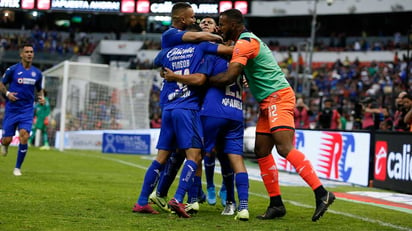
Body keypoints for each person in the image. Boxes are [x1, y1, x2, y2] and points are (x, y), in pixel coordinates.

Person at [207, 9, 335, 222]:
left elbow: (230, 76)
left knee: (284, 148)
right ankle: (276, 204)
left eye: (223, 23)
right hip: (268, 101)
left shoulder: (245, 42)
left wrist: (203, 80)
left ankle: (322, 193)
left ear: (235, 25)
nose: (220, 27)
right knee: (261, 150)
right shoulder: (245, 42)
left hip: (278, 97)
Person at [132, 16, 232, 218]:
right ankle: (178, 199)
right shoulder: (202, 48)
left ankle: (142, 201)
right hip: (187, 108)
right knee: (194, 155)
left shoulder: (168, 51)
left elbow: (156, 61)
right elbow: (224, 58)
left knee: (162, 157)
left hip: (167, 108)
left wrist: (171, 68)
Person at [163, 42, 250, 219]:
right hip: (235, 111)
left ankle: (184, 198)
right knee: (236, 160)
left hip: (213, 112)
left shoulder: (211, 58)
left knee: (196, 154)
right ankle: (241, 207)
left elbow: (200, 80)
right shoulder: (241, 64)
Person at [0, 43, 45, 176]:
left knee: (24, 135)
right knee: (7, 139)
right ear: (21, 54)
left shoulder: (37, 73)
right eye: (27, 52)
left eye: (31, 52)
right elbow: (1, 84)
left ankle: (17, 168)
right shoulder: (12, 70)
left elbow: (39, 89)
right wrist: (7, 94)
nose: (29, 54)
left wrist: (41, 98)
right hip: (12, 109)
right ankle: (5, 144)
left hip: (26, 110)